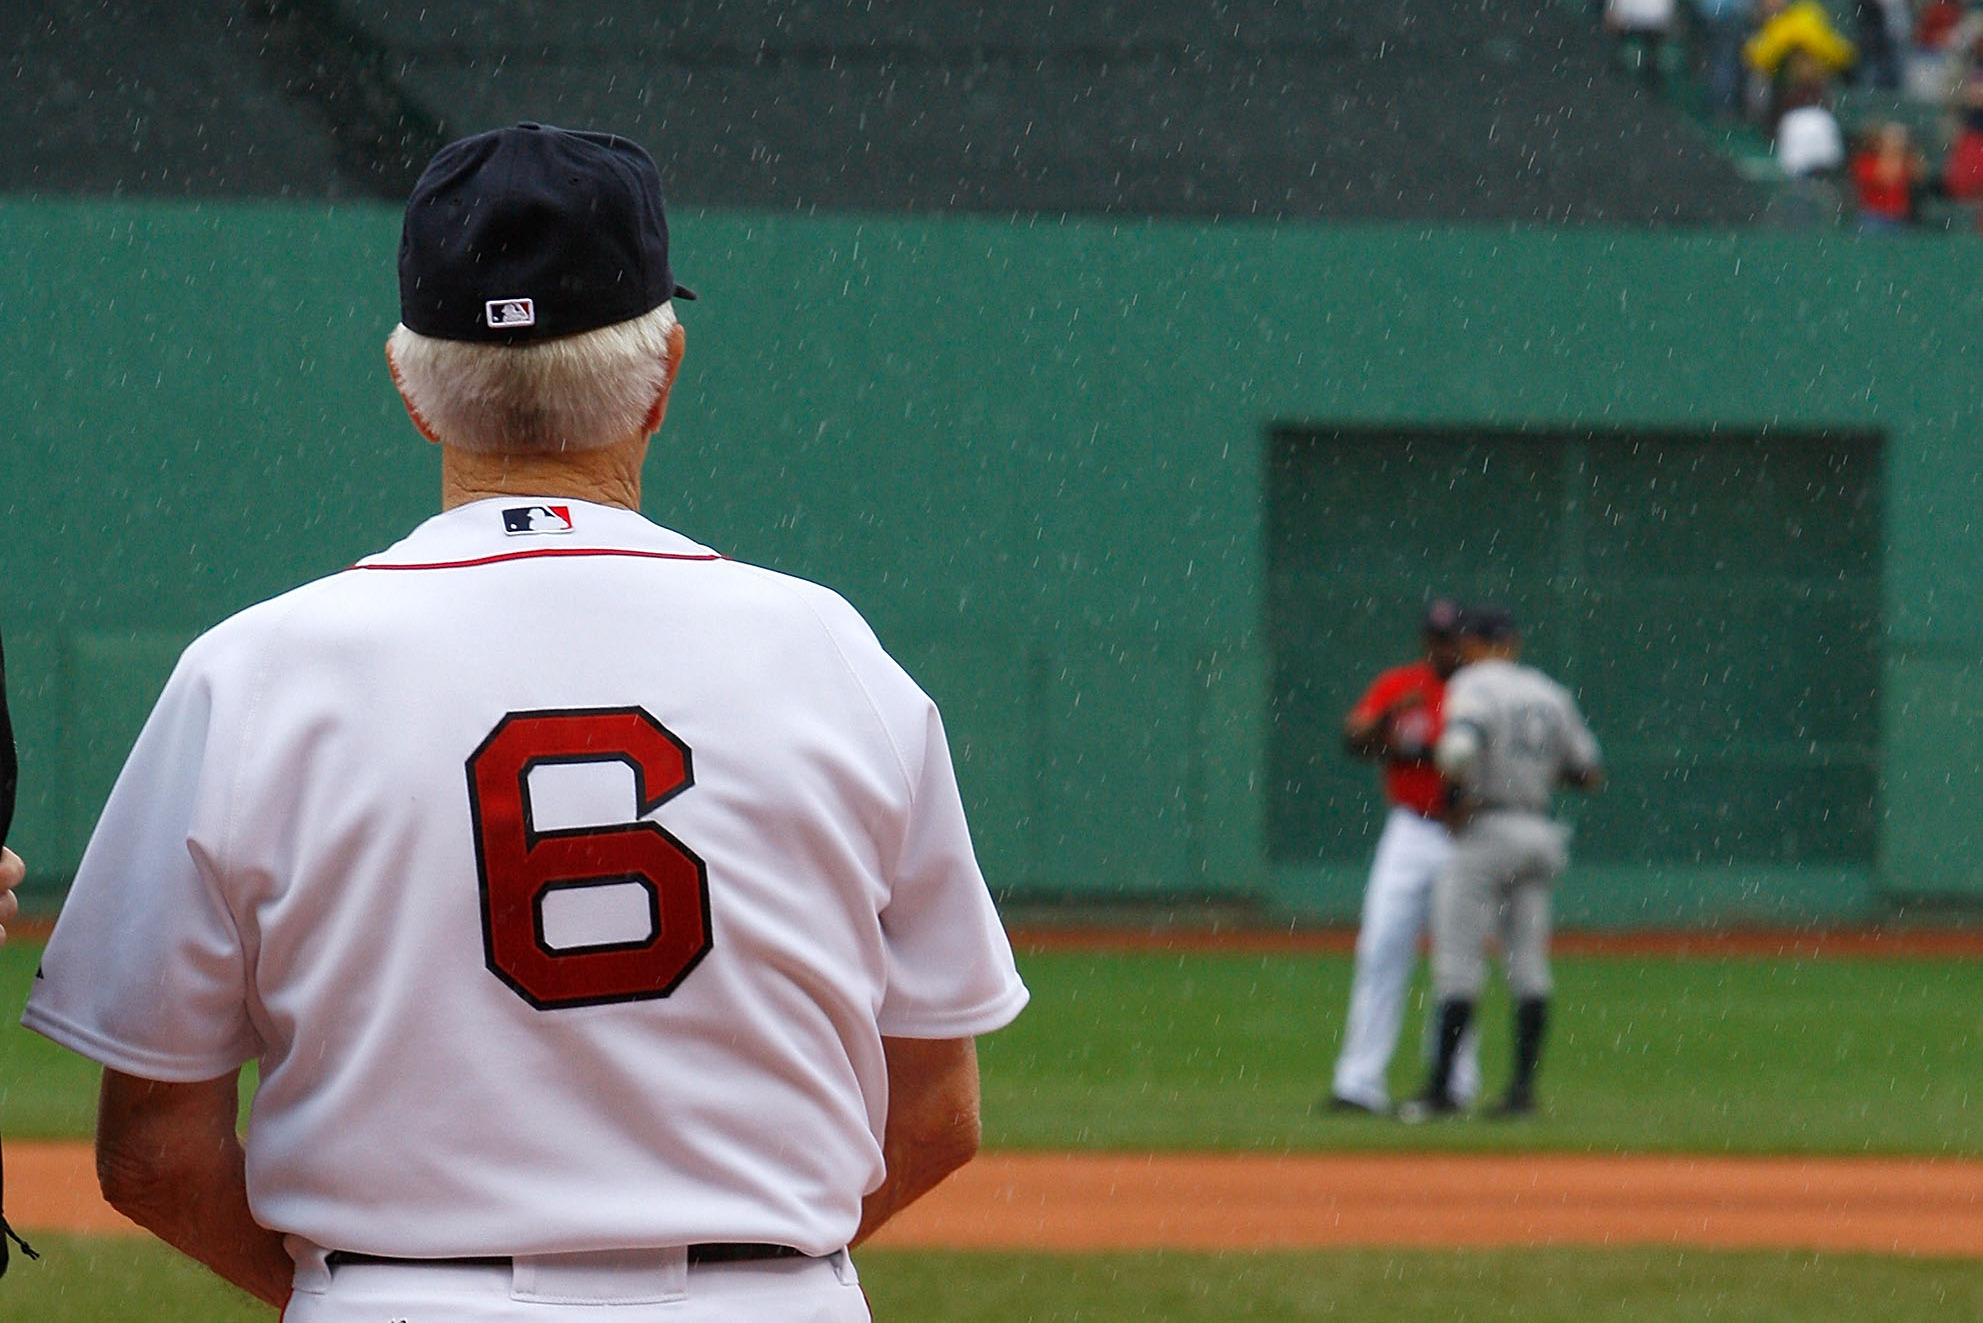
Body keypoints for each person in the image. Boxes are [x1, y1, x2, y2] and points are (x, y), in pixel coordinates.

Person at [22, 123, 1029, 1323]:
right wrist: (750, 1269)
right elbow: (937, 1114)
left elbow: (153, 1154)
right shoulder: (829, 655)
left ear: (410, 386)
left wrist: (360, 1294)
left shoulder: (252, 676)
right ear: (664, 378)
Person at [1401, 605, 1602, 1122]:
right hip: (1538, 831)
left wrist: (1450, 797)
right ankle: (1521, 1093)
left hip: (1486, 830)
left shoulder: (1474, 686)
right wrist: (1531, 774)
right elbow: (1587, 770)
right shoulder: (1547, 691)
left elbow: (1461, 747)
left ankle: (1442, 1093)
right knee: (1529, 967)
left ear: (1472, 646)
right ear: (1511, 644)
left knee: (1458, 965)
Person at [1324, 599, 1480, 1117]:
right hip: (1410, 831)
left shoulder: (1483, 692)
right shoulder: (1400, 686)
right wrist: (1390, 716)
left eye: (1452, 637)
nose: (1443, 646)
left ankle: (1454, 1084)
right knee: (1381, 951)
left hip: (1468, 836)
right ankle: (1358, 1084)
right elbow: (1353, 739)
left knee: (1456, 962)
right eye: (1436, 637)